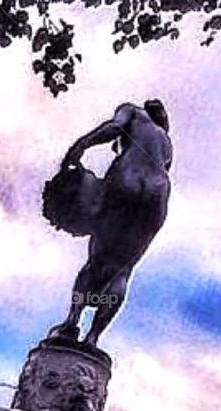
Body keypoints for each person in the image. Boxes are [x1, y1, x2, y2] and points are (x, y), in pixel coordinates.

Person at [44, 99, 172, 348]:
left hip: (127, 177)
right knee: (123, 270)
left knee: (96, 261)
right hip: (159, 194)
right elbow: (165, 170)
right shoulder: (167, 143)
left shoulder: (134, 113)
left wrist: (82, 145)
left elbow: (113, 128)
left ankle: (72, 322)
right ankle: (93, 338)